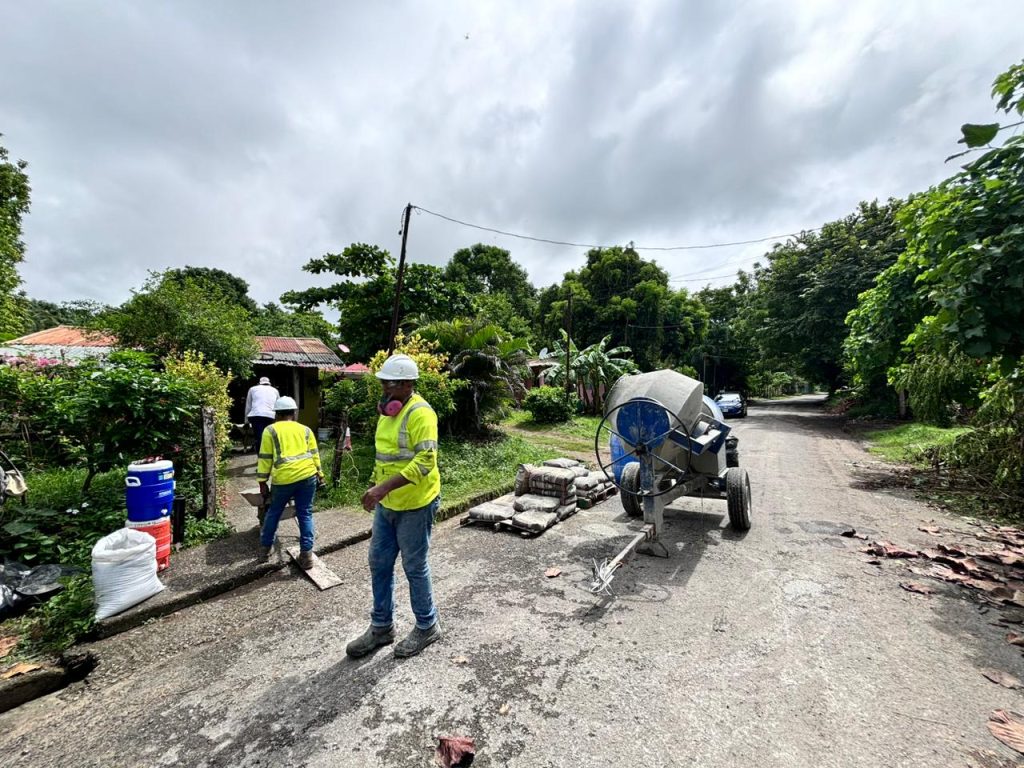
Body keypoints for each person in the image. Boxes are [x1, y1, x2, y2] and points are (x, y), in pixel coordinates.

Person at [346, 354, 442, 659]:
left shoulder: (421, 414)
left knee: (414, 566)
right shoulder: (388, 412)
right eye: (384, 381)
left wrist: (381, 488)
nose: (386, 387)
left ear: (409, 383)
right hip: (387, 503)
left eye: (393, 382)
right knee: (379, 562)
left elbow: (425, 461)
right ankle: (382, 626)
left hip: (415, 503)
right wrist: (378, 489)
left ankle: (427, 626)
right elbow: (386, 456)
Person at [256, 396, 324, 569]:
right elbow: (314, 453)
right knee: (305, 513)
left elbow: (265, 458)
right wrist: (320, 474)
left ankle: (264, 550)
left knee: (274, 513)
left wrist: (262, 481)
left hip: (284, 479)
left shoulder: (270, 430)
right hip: (308, 476)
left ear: (277, 414)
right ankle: (307, 555)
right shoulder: (306, 430)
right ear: (294, 413)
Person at [245, 376, 279, 453]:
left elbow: (248, 406)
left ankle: (260, 457)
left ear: (259, 383)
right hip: (271, 416)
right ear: (269, 383)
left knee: (259, 437)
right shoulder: (275, 390)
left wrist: (246, 420)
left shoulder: (252, 389)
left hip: (256, 415)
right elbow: (278, 406)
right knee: (270, 436)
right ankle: (271, 455)